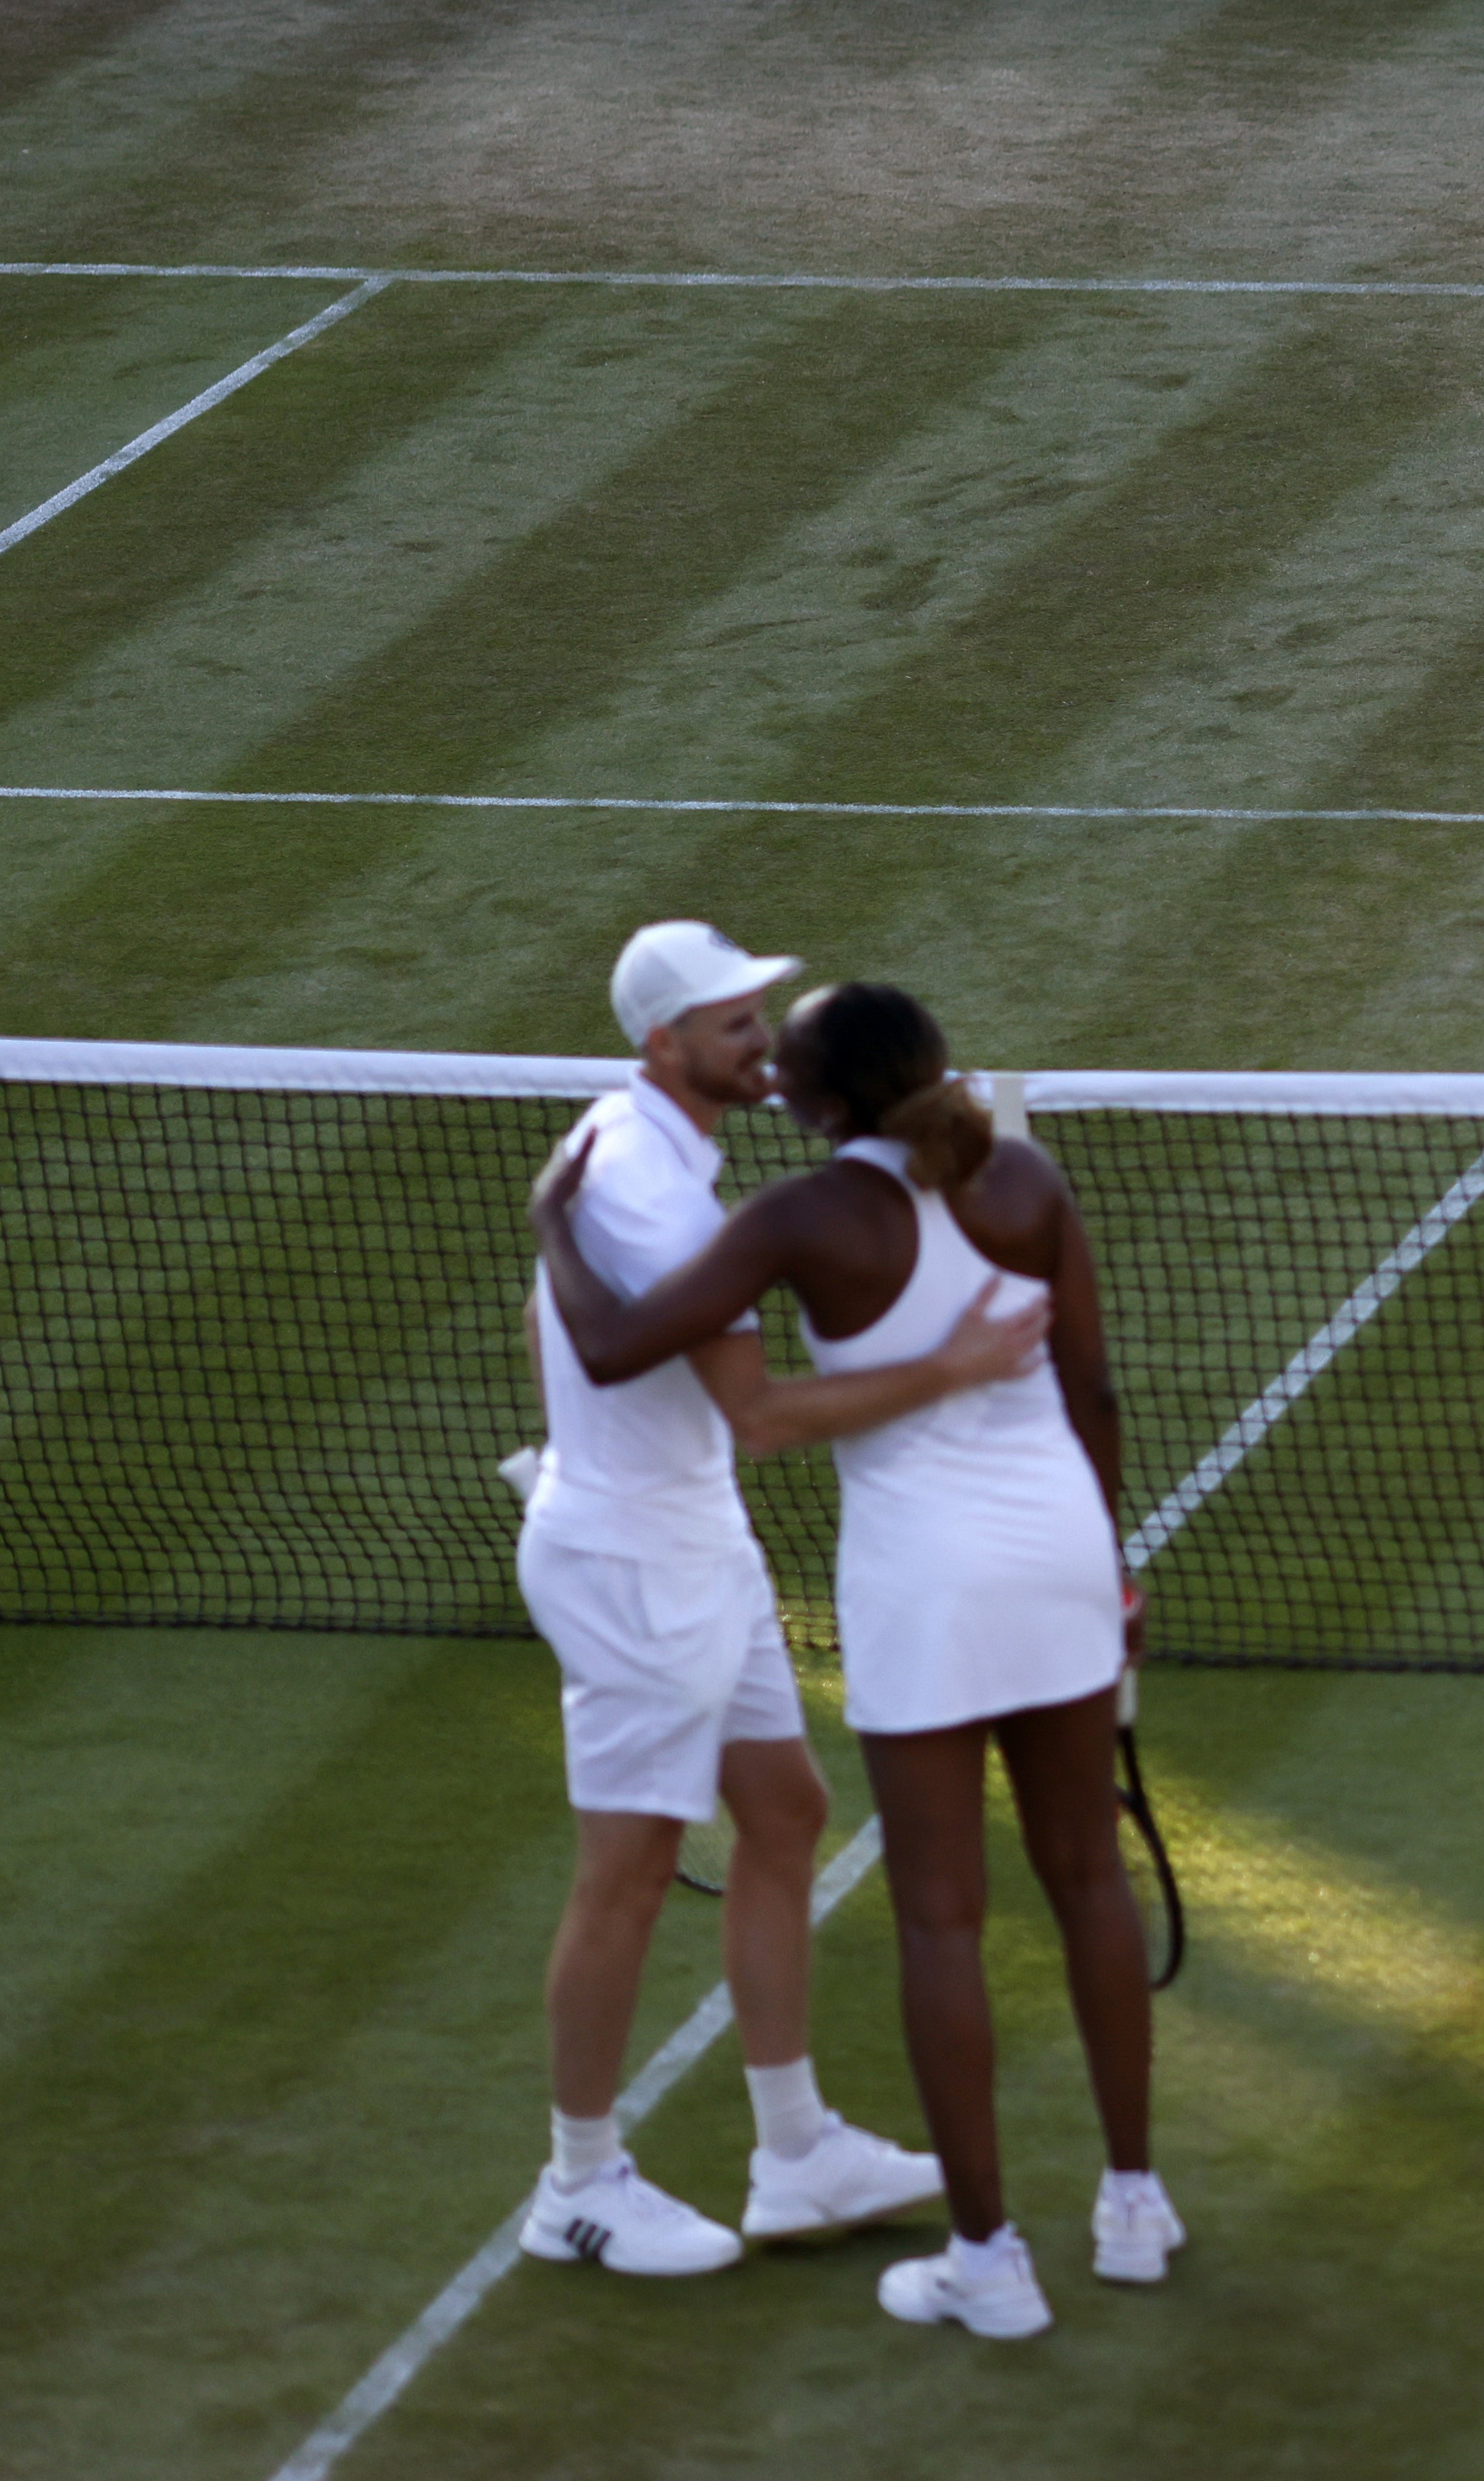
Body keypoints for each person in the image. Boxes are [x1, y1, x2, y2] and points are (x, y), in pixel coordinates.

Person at [537, 981, 1179, 2341]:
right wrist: (1112, 1570)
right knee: (1087, 1874)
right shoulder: (1026, 1176)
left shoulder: (799, 1217)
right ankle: (1134, 2205)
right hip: (1062, 1546)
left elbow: (609, 1347)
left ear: (818, 1102)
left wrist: (552, 1223)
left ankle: (988, 2260)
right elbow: (1094, 1388)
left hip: (925, 1585)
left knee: (941, 1915)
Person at [511, 920, 1042, 2280]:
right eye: (734, 1023)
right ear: (662, 1045)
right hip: (641, 1563)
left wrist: (588, 1454)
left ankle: (795, 2150)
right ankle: (578, 2181)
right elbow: (757, 1412)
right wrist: (958, 1365)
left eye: (758, 1011)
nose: (764, 1039)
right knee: (624, 1870)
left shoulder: (633, 1141)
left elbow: (561, 1324)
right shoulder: (651, 1186)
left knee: (788, 1808)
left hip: (688, 1537)